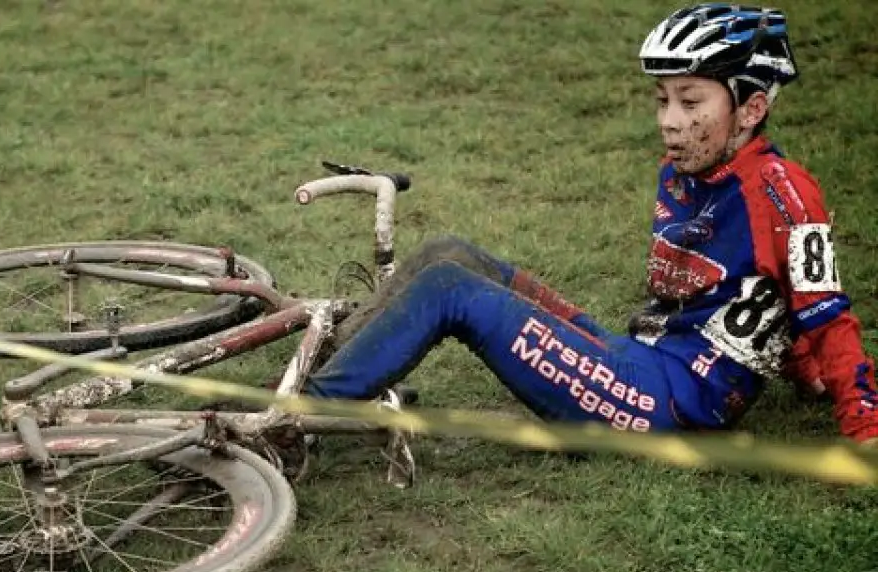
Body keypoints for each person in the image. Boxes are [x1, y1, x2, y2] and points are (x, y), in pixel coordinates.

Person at [302, 3, 878, 447]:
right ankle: (326, 374)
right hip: (637, 358)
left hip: (667, 407)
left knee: (449, 290)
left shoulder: (782, 192)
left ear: (751, 109)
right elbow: (769, 299)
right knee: (447, 253)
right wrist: (805, 375)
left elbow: (823, 312)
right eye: (662, 100)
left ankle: (295, 419)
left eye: (691, 102)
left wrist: (863, 426)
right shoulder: (682, 173)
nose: (670, 123)